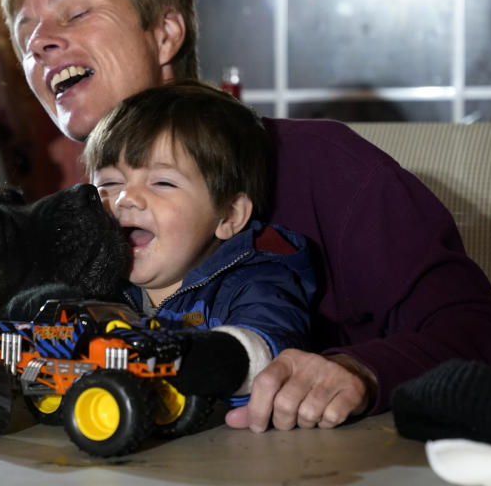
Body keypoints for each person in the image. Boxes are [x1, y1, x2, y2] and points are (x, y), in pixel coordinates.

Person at [0, 0, 491, 432]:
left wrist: (360, 373)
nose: (39, 43)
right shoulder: (72, 217)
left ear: (165, 35)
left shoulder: (323, 163)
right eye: (26, 36)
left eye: (73, 14)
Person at [83, 80, 316, 403]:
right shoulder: (94, 285)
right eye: (109, 182)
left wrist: (210, 357)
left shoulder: (254, 282)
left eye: (162, 182)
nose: (125, 198)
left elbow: (272, 340)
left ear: (229, 216)